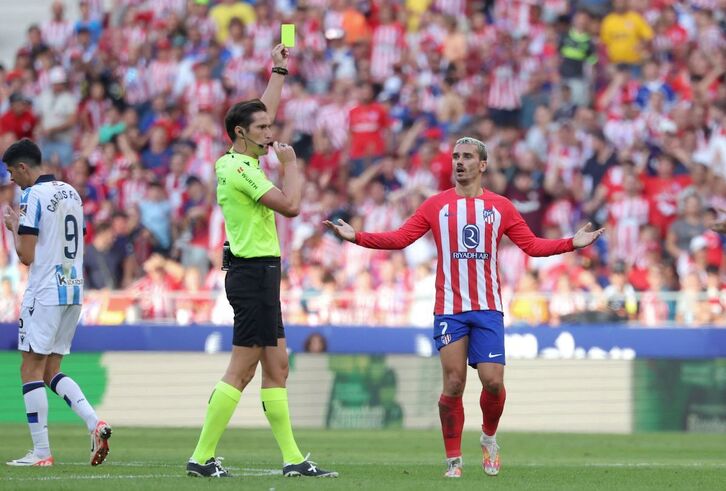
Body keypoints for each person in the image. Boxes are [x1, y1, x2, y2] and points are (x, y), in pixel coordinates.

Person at [325, 137, 604, 478]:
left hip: (488, 307)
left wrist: (570, 244)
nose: (459, 161)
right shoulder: (435, 205)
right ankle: (453, 461)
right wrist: (358, 237)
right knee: (454, 382)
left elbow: (530, 245)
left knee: (493, 382)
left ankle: (488, 438)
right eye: (456, 156)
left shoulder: (500, 206)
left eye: (467, 156)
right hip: (450, 308)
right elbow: (400, 239)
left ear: (482, 165)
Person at [185, 44, 337, 479]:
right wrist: (292, 166)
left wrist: (279, 70)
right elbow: (290, 205)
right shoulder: (240, 169)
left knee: (278, 366)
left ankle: (292, 460)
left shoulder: (242, 156)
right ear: (241, 134)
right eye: (263, 128)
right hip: (252, 274)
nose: (271, 132)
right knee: (243, 368)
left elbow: (258, 111)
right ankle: (201, 457)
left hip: (263, 273)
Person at [2, 138, 111, 467]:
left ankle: (40, 452)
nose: (11, 181)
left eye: (11, 173)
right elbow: (79, 235)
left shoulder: (32, 195)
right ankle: (95, 424)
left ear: (23, 167)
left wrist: (13, 228)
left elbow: (25, 255)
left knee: (29, 369)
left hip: (46, 290)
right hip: (73, 289)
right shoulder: (71, 193)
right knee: (51, 370)